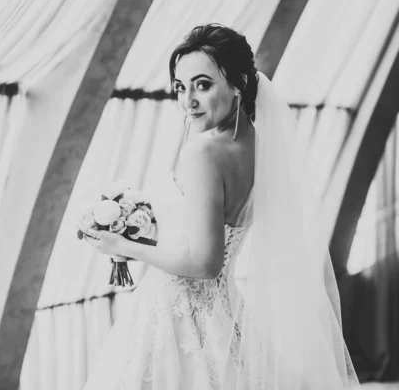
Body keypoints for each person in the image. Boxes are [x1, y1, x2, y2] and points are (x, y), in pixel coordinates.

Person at [82, 24, 360, 389]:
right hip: (224, 314)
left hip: (177, 314)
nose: (188, 101)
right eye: (181, 87)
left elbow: (204, 263)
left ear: (239, 83)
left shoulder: (203, 153)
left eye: (203, 84)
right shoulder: (260, 146)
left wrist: (121, 245)